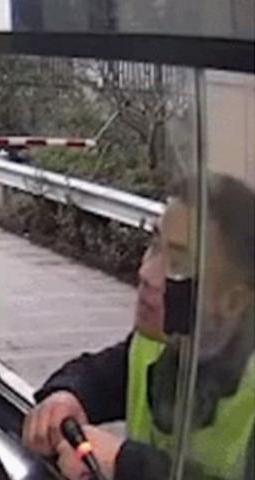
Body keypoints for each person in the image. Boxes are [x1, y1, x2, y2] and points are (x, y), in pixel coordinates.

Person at [23, 173, 255, 480]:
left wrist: (126, 465)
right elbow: (97, 376)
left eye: (179, 263)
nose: (146, 272)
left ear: (233, 301)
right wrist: (65, 396)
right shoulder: (159, 343)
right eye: (154, 245)